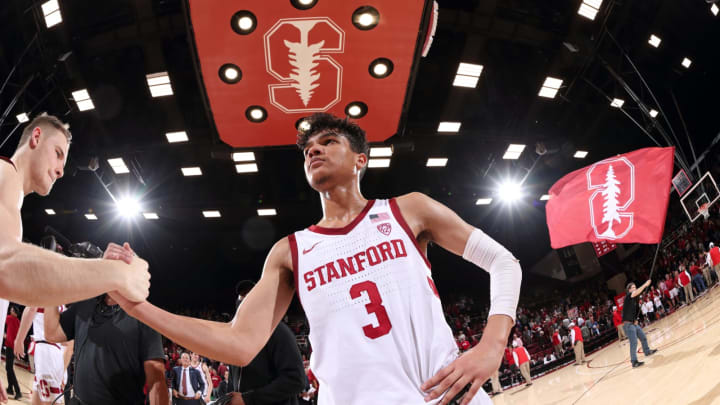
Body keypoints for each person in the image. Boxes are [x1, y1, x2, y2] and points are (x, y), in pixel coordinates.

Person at [112, 113, 523, 405]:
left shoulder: (408, 210)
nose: (313, 150)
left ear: (361, 159)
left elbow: (504, 262)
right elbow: (237, 344)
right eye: (308, 148)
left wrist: (492, 345)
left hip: (442, 395)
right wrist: (138, 307)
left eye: (328, 142)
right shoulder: (290, 251)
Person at [0, 114, 150, 306]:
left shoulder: (11, 192)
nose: (61, 171)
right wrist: (116, 273)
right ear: (36, 137)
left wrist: (100, 271)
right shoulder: (5, 173)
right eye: (57, 153)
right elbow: (7, 268)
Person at [41, 242, 167, 405]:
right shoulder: (86, 303)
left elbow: (156, 382)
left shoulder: (144, 315)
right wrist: (51, 280)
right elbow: (52, 333)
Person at [226, 281, 306, 405]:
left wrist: (248, 399)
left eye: (250, 295)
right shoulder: (237, 336)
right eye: (241, 296)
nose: (244, 300)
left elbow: (296, 379)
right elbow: (233, 381)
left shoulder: (278, 331)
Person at [14, 304, 73, 405]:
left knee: (50, 402)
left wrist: (19, 339)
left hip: (47, 352)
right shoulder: (65, 302)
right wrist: (62, 371)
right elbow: (70, 345)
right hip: (55, 353)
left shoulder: (47, 293)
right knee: (38, 400)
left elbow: (31, 309)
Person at [621, 281, 658, 368]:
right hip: (628, 325)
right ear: (629, 290)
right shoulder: (628, 297)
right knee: (634, 342)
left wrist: (635, 320)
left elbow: (634, 313)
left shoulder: (634, 301)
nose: (635, 289)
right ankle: (634, 361)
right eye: (633, 287)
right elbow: (636, 292)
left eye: (635, 287)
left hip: (633, 323)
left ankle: (647, 351)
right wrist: (645, 285)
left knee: (643, 337)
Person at [4, 306, 21, 400]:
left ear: (15, 312)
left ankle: (18, 390)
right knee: (8, 367)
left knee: (9, 368)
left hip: (10, 346)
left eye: (11, 310)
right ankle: (10, 388)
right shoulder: (18, 321)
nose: (10, 311)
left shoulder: (10, 318)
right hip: (13, 347)